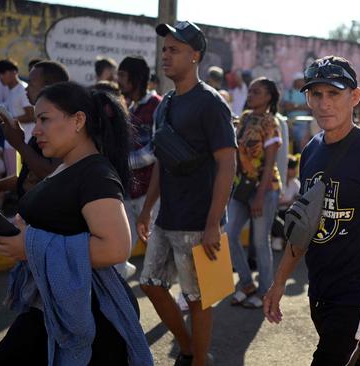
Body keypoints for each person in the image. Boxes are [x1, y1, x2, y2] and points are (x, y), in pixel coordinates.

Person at [263, 55, 360, 365]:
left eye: (334, 93)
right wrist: (279, 282)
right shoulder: (311, 150)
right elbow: (304, 228)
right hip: (320, 289)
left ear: (355, 97)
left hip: (358, 295)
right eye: (316, 94)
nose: (324, 103)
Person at [0, 81, 152, 365]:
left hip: (85, 311)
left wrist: (30, 245)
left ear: (78, 120)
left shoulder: (96, 174)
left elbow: (115, 249)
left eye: (44, 119)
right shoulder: (68, 166)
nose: (36, 129)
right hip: (55, 304)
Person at [137, 21, 236, 366]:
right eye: (164, 49)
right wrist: (147, 208)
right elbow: (163, 160)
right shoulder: (165, 104)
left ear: (195, 56)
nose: (165, 55)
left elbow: (227, 164)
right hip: (168, 216)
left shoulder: (210, 103)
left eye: (174, 49)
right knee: (149, 282)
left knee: (199, 298)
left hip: (198, 220)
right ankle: (191, 349)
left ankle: (198, 361)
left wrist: (213, 223)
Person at [0, 61, 68, 208]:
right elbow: (29, 176)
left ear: (49, 87)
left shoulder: (61, 124)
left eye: (31, 83)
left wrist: (19, 143)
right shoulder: (44, 122)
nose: (26, 88)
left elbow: (51, 174)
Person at [227, 77, 282, 309]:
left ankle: (264, 291)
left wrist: (260, 195)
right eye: (249, 91)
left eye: (256, 92)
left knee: (260, 242)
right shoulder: (246, 118)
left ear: (268, 96)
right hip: (241, 188)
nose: (250, 95)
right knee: (229, 234)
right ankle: (247, 283)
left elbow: (270, 164)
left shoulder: (272, 123)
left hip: (265, 190)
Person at [116, 55, 162, 280]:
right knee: (120, 246)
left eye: (123, 76)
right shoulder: (128, 107)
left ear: (135, 78)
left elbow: (155, 150)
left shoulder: (157, 106)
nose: (118, 81)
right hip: (128, 190)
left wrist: (122, 162)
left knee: (156, 247)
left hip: (150, 192)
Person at [0, 59, 34, 174]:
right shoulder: (11, 90)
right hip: (13, 142)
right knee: (12, 176)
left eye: (3, 73)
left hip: (24, 142)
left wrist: (9, 119)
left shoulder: (23, 89)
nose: (1, 77)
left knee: (20, 178)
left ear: (14, 72)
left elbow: (31, 115)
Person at [271, 154, 301, 251]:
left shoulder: (296, 183)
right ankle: (286, 239)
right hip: (276, 213)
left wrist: (289, 202)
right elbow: (274, 203)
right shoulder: (277, 182)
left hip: (288, 213)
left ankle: (286, 239)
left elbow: (299, 200)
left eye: (294, 167)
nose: (295, 170)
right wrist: (290, 201)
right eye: (291, 168)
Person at [283, 72, 313, 153]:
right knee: (288, 144)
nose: (302, 82)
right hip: (290, 123)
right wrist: (301, 106)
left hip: (303, 123)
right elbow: (287, 107)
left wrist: (294, 106)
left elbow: (309, 106)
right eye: (300, 80)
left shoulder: (306, 93)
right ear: (295, 81)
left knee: (303, 144)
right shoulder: (288, 93)